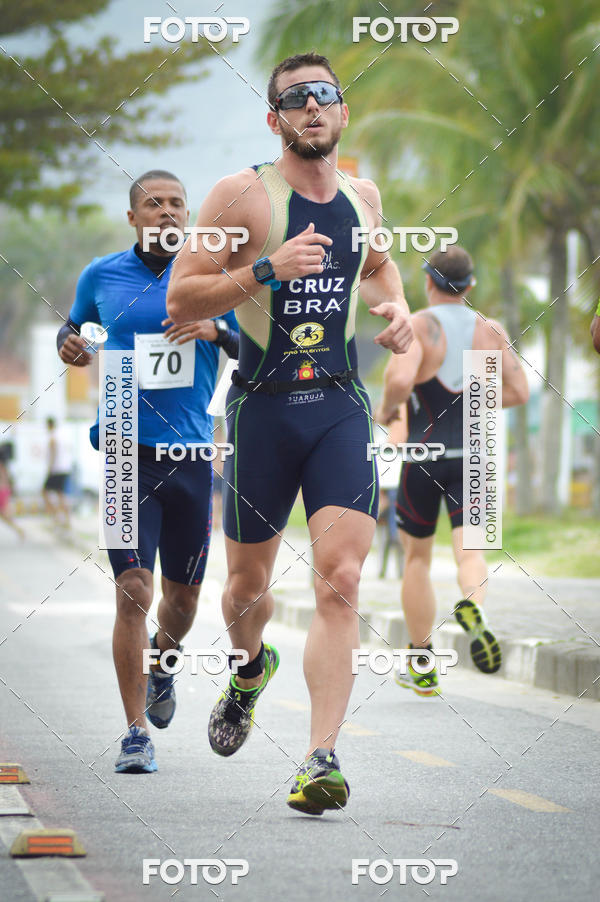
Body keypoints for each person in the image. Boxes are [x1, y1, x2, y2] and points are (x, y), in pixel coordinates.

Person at [167, 52, 413, 815]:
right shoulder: (242, 195)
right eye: (296, 99)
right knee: (245, 590)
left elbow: (379, 267)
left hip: (338, 404)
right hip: (261, 410)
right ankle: (248, 669)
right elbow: (182, 297)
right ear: (274, 119)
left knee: (340, 580)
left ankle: (319, 759)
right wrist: (265, 270)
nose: (313, 107)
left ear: (342, 113)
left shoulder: (362, 197)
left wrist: (398, 309)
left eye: (325, 96)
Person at [57, 170, 239, 773]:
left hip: (190, 460)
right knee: (133, 589)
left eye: (176, 205)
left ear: (188, 216)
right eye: (153, 205)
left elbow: (247, 345)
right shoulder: (101, 276)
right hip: (123, 453)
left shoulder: (210, 277)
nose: (166, 213)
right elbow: (73, 324)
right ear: (133, 217)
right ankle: (135, 733)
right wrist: (70, 343)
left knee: (182, 603)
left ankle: (164, 663)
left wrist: (213, 327)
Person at [376, 245, 529, 695]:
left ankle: (421, 659)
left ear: (428, 282)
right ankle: (472, 606)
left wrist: (387, 410)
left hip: (424, 455)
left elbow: (402, 382)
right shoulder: (489, 330)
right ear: (470, 285)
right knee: (471, 554)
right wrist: (476, 406)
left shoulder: (420, 326)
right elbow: (518, 391)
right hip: (475, 457)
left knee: (417, 559)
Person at [42, 417, 73, 527]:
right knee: (61, 495)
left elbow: (53, 453)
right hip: (64, 469)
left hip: (56, 470)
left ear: (49, 425)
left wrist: (50, 468)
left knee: (44, 492)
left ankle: (56, 516)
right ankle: (65, 519)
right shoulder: (62, 435)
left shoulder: (53, 437)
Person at [0, 443, 24, 541]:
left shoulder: (1, 466)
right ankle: (19, 530)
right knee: (4, 516)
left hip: (2, 490)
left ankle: (19, 530)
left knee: (4, 515)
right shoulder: (4, 466)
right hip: (5, 490)